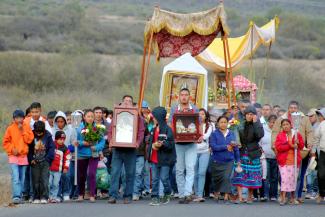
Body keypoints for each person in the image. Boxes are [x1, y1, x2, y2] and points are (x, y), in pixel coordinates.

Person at [272, 101, 313, 203]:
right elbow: (275, 132)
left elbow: (310, 132)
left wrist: (309, 143)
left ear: (298, 109)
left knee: (298, 176)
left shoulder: (304, 118)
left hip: (300, 151)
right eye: (291, 108)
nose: (293, 109)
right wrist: (274, 145)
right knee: (284, 176)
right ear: (288, 108)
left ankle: (296, 196)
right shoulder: (281, 119)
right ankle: (284, 196)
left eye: (295, 108)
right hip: (284, 154)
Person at [108, 95, 145, 204]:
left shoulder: (138, 118)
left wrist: (138, 142)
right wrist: (110, 140)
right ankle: (112, 195)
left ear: (133, 104)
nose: (127, 103)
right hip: (118, 149)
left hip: (131, 150)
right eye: (125, 101)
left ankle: (127, 195)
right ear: (121, 103)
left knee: (130, 173)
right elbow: (111, 131)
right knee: (115, 173)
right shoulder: (116, 115)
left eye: (129, 101)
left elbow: (141, 132)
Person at [168, 87, 200, 204]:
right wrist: (173, 136)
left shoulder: (194, 108)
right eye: (182, 95)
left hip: (191, 143)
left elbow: (199, 123)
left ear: (189, 96)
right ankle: (181, 194)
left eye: (186, 95)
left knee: (190, 168)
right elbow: (170, 123)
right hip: (178, 143)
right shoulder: (174, 108)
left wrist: (199, 135)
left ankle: (187, 194)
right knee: (179, 170)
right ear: (179, 96)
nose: (184, 97)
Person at [232, 105, 264, 203]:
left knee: (252, 176)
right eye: (248, 114)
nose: (249, 116)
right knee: (239, 174)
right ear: (245, 115)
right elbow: (236, 135)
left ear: (255, 115)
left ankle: (250, 196)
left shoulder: (258, 124)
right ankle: (240, 197)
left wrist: (255, 123)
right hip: (241, 153)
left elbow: (259, 135)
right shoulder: (240, 124)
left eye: (252, 114)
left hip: (253, 153)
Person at [2, 110, 34, 204]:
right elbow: (5, 142)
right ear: (14, 118)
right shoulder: (10, 128)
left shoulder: (27, 127)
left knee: (22, 178)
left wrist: (22, 131)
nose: (19, 119)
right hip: (13, 156)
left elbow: (29, 140)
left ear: (23, 118)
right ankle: (16, 196)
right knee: (15, 177)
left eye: (20, 117)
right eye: (17, 118)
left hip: (23, 156)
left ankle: (20, 196)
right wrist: (12, 149)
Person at [147, 106, 176, 206]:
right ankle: (155, 197)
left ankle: (167, 193)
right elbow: (151, 142)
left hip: (165, 159)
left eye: (154, 117)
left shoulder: (168, 129)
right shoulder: (153, 129)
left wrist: (162, 144)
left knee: (164, 178)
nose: (153, 118)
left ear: (159, 117)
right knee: (154, 179)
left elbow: (171, 144)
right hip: (154, 158)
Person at [76, 109, 105, 203]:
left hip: (94, 154)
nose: (90, 118)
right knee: (81, 175)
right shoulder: (79, 128)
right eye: (88, 116)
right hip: (82, 154)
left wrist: (96, 147)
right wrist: (82, 142)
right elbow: (75, 141)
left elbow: (102, 141)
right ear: (84, 117)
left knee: (92, 174)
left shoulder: (97, 128)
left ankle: (92, 194)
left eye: (92, 116)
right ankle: (81, 194)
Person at [209, 116, 240, 203]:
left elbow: (235, 148)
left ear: (228, 123)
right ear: (218, 124)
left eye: (225, 122)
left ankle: (226, 196)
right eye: (221, 122)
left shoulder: (231, 133)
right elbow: (213, 146)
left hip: (229, 160)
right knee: (217, 179)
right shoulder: (214, 134)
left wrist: (238, 160)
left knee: (227, 177)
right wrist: (225, 147)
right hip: (217, 160)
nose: (223, 124)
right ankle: (217, 193)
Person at [275, 119, 304, 205]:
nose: (285, 126)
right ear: (282, 127)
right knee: (285, 179)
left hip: (295, 161)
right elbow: (279, 147)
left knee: (293, 179)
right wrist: (290, 145)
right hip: (284, 161)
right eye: (283, 125)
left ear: (291, 125)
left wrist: (298, 143)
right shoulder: (280, 136)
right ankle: (283, 198)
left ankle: (292, 197)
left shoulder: (297, 134)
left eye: (287, 124)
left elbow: (301, 146)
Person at [27, 121, 55, 204]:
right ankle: (36, 197)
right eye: (37, 132)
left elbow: (51, 148)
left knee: (44, 180)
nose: (39, 134)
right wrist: (31, 159)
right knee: (35, 180)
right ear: (34, 130)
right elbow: (29, 149)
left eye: (41, 133)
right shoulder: (31, 135)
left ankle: (44, 197)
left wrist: (48, 159)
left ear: (44, 130)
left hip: (45, 161)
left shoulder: (48, 135)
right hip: (34, 162)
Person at [53, 111, 77, 201]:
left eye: (62, 121)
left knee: (67, 175)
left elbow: (74, 143)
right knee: (57, 177)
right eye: (58, 121)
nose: (60, 123)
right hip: (56, 158)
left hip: (67, 155)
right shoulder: (52, 130)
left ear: (65, 122)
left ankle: (66, 192)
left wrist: (66, 149)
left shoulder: (71, 129)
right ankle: (58, 194)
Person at [133, 100, 153, 201]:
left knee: (139, 172)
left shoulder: (146, 121)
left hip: (141, 151)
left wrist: (147, 141)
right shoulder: (125, 120)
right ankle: (129, 191)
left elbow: (148, 134)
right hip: (128, 151)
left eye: (140, 108)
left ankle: (137, 192)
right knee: (126, 174)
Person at [193, 108, 213, 202]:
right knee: (195, 173)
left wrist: (201, 137)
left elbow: (206, 136)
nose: (201, 116)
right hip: (193, 151)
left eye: (203, 114)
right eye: (199, 114)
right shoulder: (192, 124)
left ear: (206, 116)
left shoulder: (210, 125)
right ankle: (196, 193)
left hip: (205, 151)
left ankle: (200, 194)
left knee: (201, 172)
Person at [259, 115, 278, 201]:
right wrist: (261, 150)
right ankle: (265, 194)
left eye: (274, 122)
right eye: (271, 122)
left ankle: (273, 195)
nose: (272, 124)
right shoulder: (263, 130)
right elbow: (259, 142)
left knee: (274, 177)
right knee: (265, 176)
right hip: (265, 157)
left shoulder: (278, 131)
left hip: (276, 157)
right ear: (268, 122)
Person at [49, 131, 71, 203]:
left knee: (56, 184)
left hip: (58, 170)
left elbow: (67, 159)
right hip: (49, 169)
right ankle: (49, 196)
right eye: (60, 139)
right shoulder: (51, 145)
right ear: (56, 139)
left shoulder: (65, 149)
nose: (62, 141)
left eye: (63, 139)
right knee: (49, 183)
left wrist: (65, 168)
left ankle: (54, 197)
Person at [305, 108, 319, 200]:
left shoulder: (320, 126)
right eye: (308, 116)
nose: (309, 118)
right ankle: (310, 191)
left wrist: (314, 152)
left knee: (314, 173)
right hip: (308, 152)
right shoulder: (308, 125)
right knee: (309, 172)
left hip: (317, 153)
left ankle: (314, 191)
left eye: (311, 116)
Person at [313, 108, 325, 204]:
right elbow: (316, 139)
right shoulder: (321, 125)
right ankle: (321, 194)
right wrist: (313, 151)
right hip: (323, 153)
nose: (319, 117)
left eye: (320, 115)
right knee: (321, 175)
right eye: (319, 116)